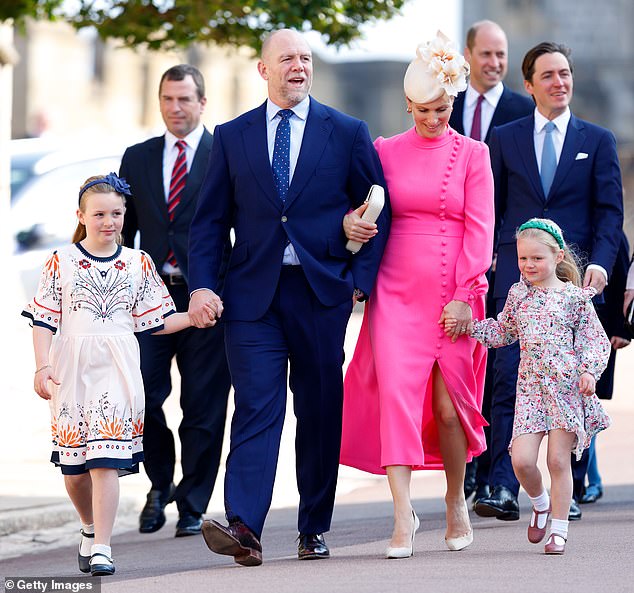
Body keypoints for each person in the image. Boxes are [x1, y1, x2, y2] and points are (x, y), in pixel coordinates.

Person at [187, 29, 390, 566]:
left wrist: (358, 283)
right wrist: (204, 283)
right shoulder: (232, 137)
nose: (298, 67)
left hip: (322, 295)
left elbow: (379, 208)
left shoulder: (346, 132)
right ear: (263, 69)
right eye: (287, 60)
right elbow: (208, 223)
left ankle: (313, 526)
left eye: (305, 59)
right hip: (251, 299)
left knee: (320, 412)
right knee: (256, 408)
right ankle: (245, 527)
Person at [341, 31, 493, 558]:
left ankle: (455, 499)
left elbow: (481, 229)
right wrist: (352, 228)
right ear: (408, 105)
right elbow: (364, 213)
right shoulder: (383, 150)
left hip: (455, 291)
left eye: (443, 108)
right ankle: (402, 514)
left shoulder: (475, 153)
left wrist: (465, 293)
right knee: (397, 403)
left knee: (450, 409)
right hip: (395, 290)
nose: (435, 118)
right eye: (425, 110)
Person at [474, 42, 624, 525]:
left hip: (572, 285)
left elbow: (609, 214)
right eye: (549, 75)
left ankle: (571, 484)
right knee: (507, 377)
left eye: (565, 73)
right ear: (529, 84)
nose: (559, 82)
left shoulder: (597, 139)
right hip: (514, 278)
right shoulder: (505, 137)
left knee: (572, 381)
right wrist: (491, 263)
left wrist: (600, 264)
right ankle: (501, 482)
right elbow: (490, 207)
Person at [22, 174, 193, 576]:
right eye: (99, 214)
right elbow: (43, 321)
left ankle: (103, 546)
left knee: (105, 462)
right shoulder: (61, 261)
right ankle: (88, 525)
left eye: (116, 213)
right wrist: (42, 366)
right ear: (81, 216)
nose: (108, 222)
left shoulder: (139, 263)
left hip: (118, 370)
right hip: (71, 370)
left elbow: (157, 321)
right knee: (76, 471)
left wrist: (193, 318)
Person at [120, 64, 231, 538]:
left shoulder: (223, 153)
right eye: (168, 99)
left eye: (185, 99)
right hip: (149, 298)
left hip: (206, 297)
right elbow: (123, 234)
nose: (175, 108)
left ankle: (192, 503)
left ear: (202, 103)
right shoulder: (138, 157)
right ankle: (159, 484)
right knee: (142, 397)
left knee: (203, 405)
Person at [465, 218, 611, 555]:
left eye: (537, 258)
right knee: (522, 460)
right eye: (522, 259)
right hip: (530, 391)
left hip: (566, 390)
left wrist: (589, 372)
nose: (529, 265)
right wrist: (470, 327)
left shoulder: (575, 298)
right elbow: (504, 332)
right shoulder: (518, 294)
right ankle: (540, 502)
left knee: (558, 461)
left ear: (558, 257)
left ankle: (558, 530)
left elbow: (595, 341)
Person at [449, 20, 534, 505]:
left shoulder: (524, 110)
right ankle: (469, 466)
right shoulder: (446, 105)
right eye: (486, 54)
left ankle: (493, 475)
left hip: (502, 255)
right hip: (451, 255)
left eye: (502, 55)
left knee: (502, 367)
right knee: (466, 364)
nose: (495, 63)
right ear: (468, 55)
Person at [579, 233, 631, 504]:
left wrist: (622, 329)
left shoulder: (611, 235)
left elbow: (624, 276)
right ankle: (593, 478)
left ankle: (593, 480)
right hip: (567, 338)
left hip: (602, 334)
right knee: (578, 406)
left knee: (588, 404)